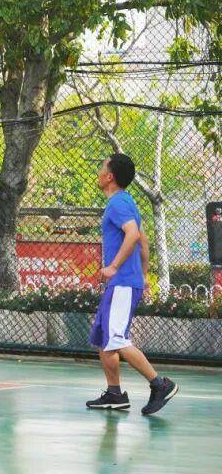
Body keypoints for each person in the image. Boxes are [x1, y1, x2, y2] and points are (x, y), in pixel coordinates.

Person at [86, 153, 178, 415]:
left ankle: (160, 384)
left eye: (102, 168)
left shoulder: (118, 203)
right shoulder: (125, 202)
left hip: (123, 283)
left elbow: (134, 235)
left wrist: (115, 267)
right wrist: (143, 276)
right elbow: (143, 242)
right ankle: (114, 394)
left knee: (116, 338)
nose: (99, 172)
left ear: (109, 177)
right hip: (125, 283)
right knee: (104, 338)